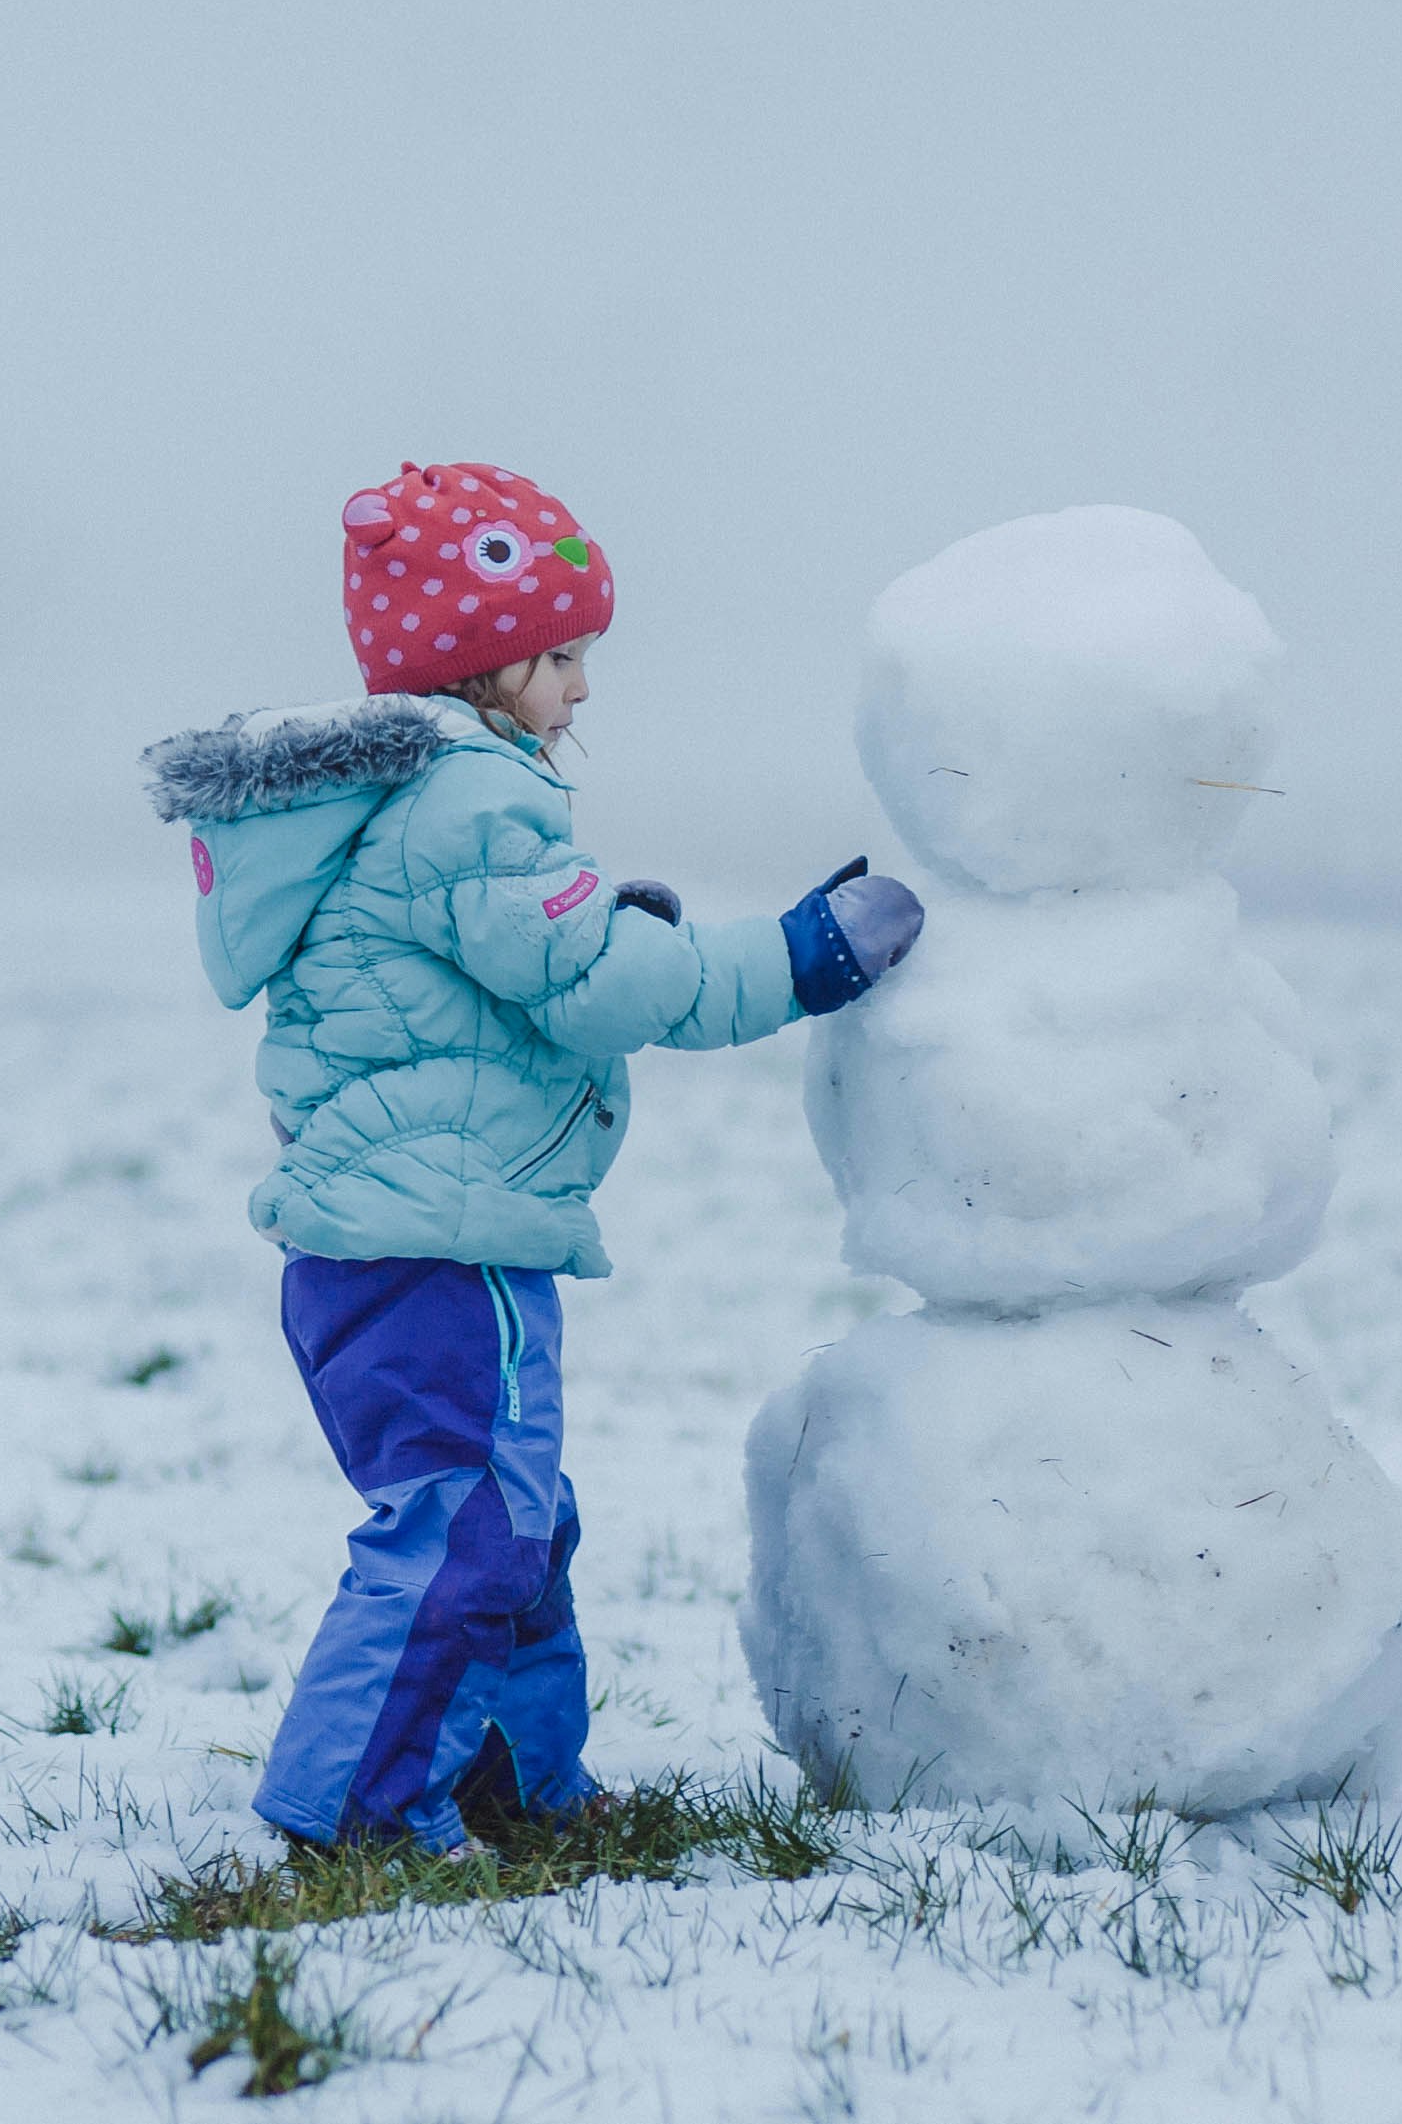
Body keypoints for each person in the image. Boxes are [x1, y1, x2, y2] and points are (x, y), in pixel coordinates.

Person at [144, 462, 924, 1856]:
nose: (581, 686)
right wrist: (797, 959)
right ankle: (357, 1809)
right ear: (479, 664)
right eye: (560, 656)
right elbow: (604, 987)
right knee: (460, 1525)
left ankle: (506, 1768)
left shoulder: (415, 804)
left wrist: (604, 919)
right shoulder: (469, 803)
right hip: (440, 1248)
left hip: (386, 1245)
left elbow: (509, 958)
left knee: (516, 1521)